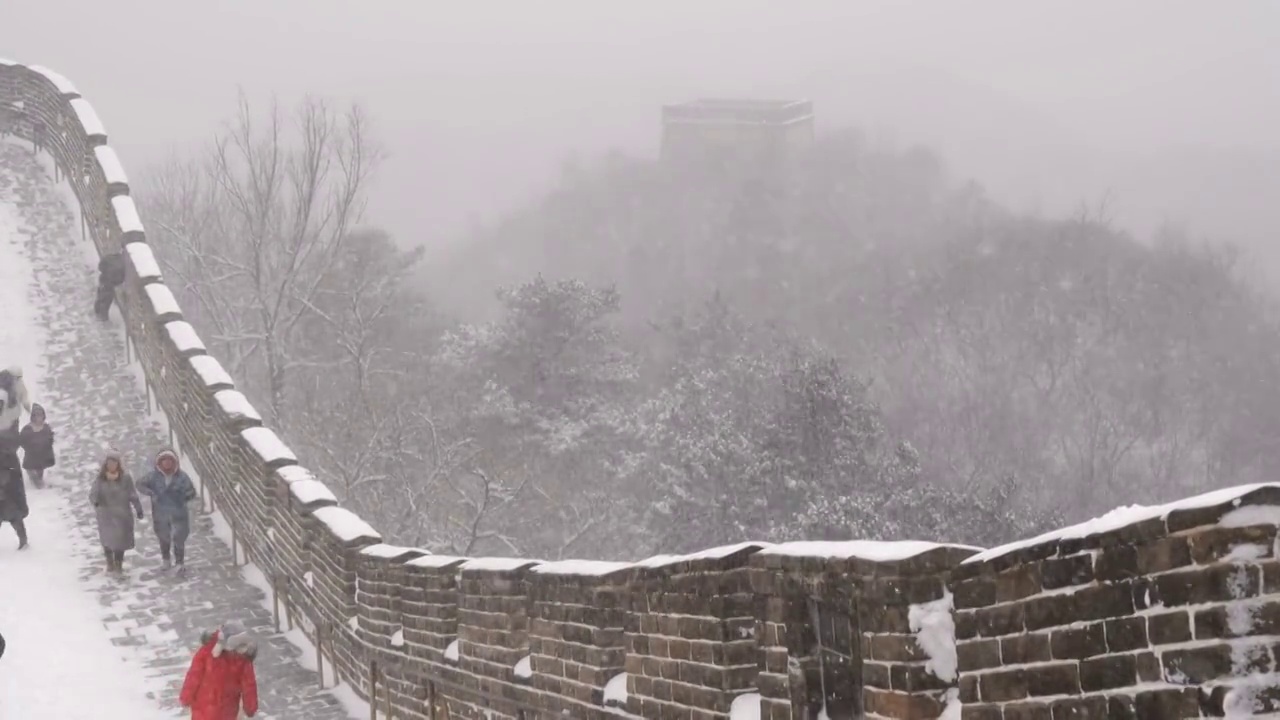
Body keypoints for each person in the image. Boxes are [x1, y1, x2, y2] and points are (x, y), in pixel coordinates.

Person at [179, 620, 259, 719]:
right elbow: (249, 685)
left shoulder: (242, 659)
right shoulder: (208, 652)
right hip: (221, 709)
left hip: (208, 707)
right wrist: (250, 708)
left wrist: (186, 697)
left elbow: (194, 676)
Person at [137, 448, 196, 572]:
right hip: (160, 513)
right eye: (165, 460)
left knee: (179, 537)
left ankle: (179, 562)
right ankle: (166, 560)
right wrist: (151, 493)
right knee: (163, 536)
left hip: (178, 513)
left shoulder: (182, 477)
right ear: (160, 462)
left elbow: (191, 491)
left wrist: (182, 498)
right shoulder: (153, 476)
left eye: (170, 460)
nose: (167, 463)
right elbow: (140, 484)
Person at [89, 449, 144, 575]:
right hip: (106, 515)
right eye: (109, 463)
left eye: (114, 463)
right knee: (107, 540)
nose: (111, 465)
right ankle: (110, 561)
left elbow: (133, 494)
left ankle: (118, 563)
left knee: (120, 540)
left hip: (122, 515)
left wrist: (138, 508)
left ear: (118, 464)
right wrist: (96, 502)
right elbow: (93, 493)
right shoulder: (101, 479)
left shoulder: (125, 479)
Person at [17, 403, 54, 489]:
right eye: (37, 416)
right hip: (31, 459)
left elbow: (50, 440)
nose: (39, 418)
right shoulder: (27, 429)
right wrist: (30, 448)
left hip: (42, 458)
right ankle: (38, 489)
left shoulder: (46, 428)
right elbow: (22, 441)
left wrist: (46, 447)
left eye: (41, 415)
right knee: (34, 479)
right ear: (33, 417)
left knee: (39, 476)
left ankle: (41, 489)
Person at [0, 447, 28, 550]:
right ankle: (23, 541)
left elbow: (15, 474)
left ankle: (23, 541)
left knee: (15, 517)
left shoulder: (7, 455)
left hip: (9, 494)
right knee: (15, 517)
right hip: (9, 492)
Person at [94, 251, 127, 321]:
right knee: (105, 302)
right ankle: (102, 318)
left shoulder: (110, 258)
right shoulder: (122, 263)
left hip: (105, 280)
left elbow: (100, 266)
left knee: (101, 298)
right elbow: (120, 279)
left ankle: (99, 314)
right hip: (109, 284)